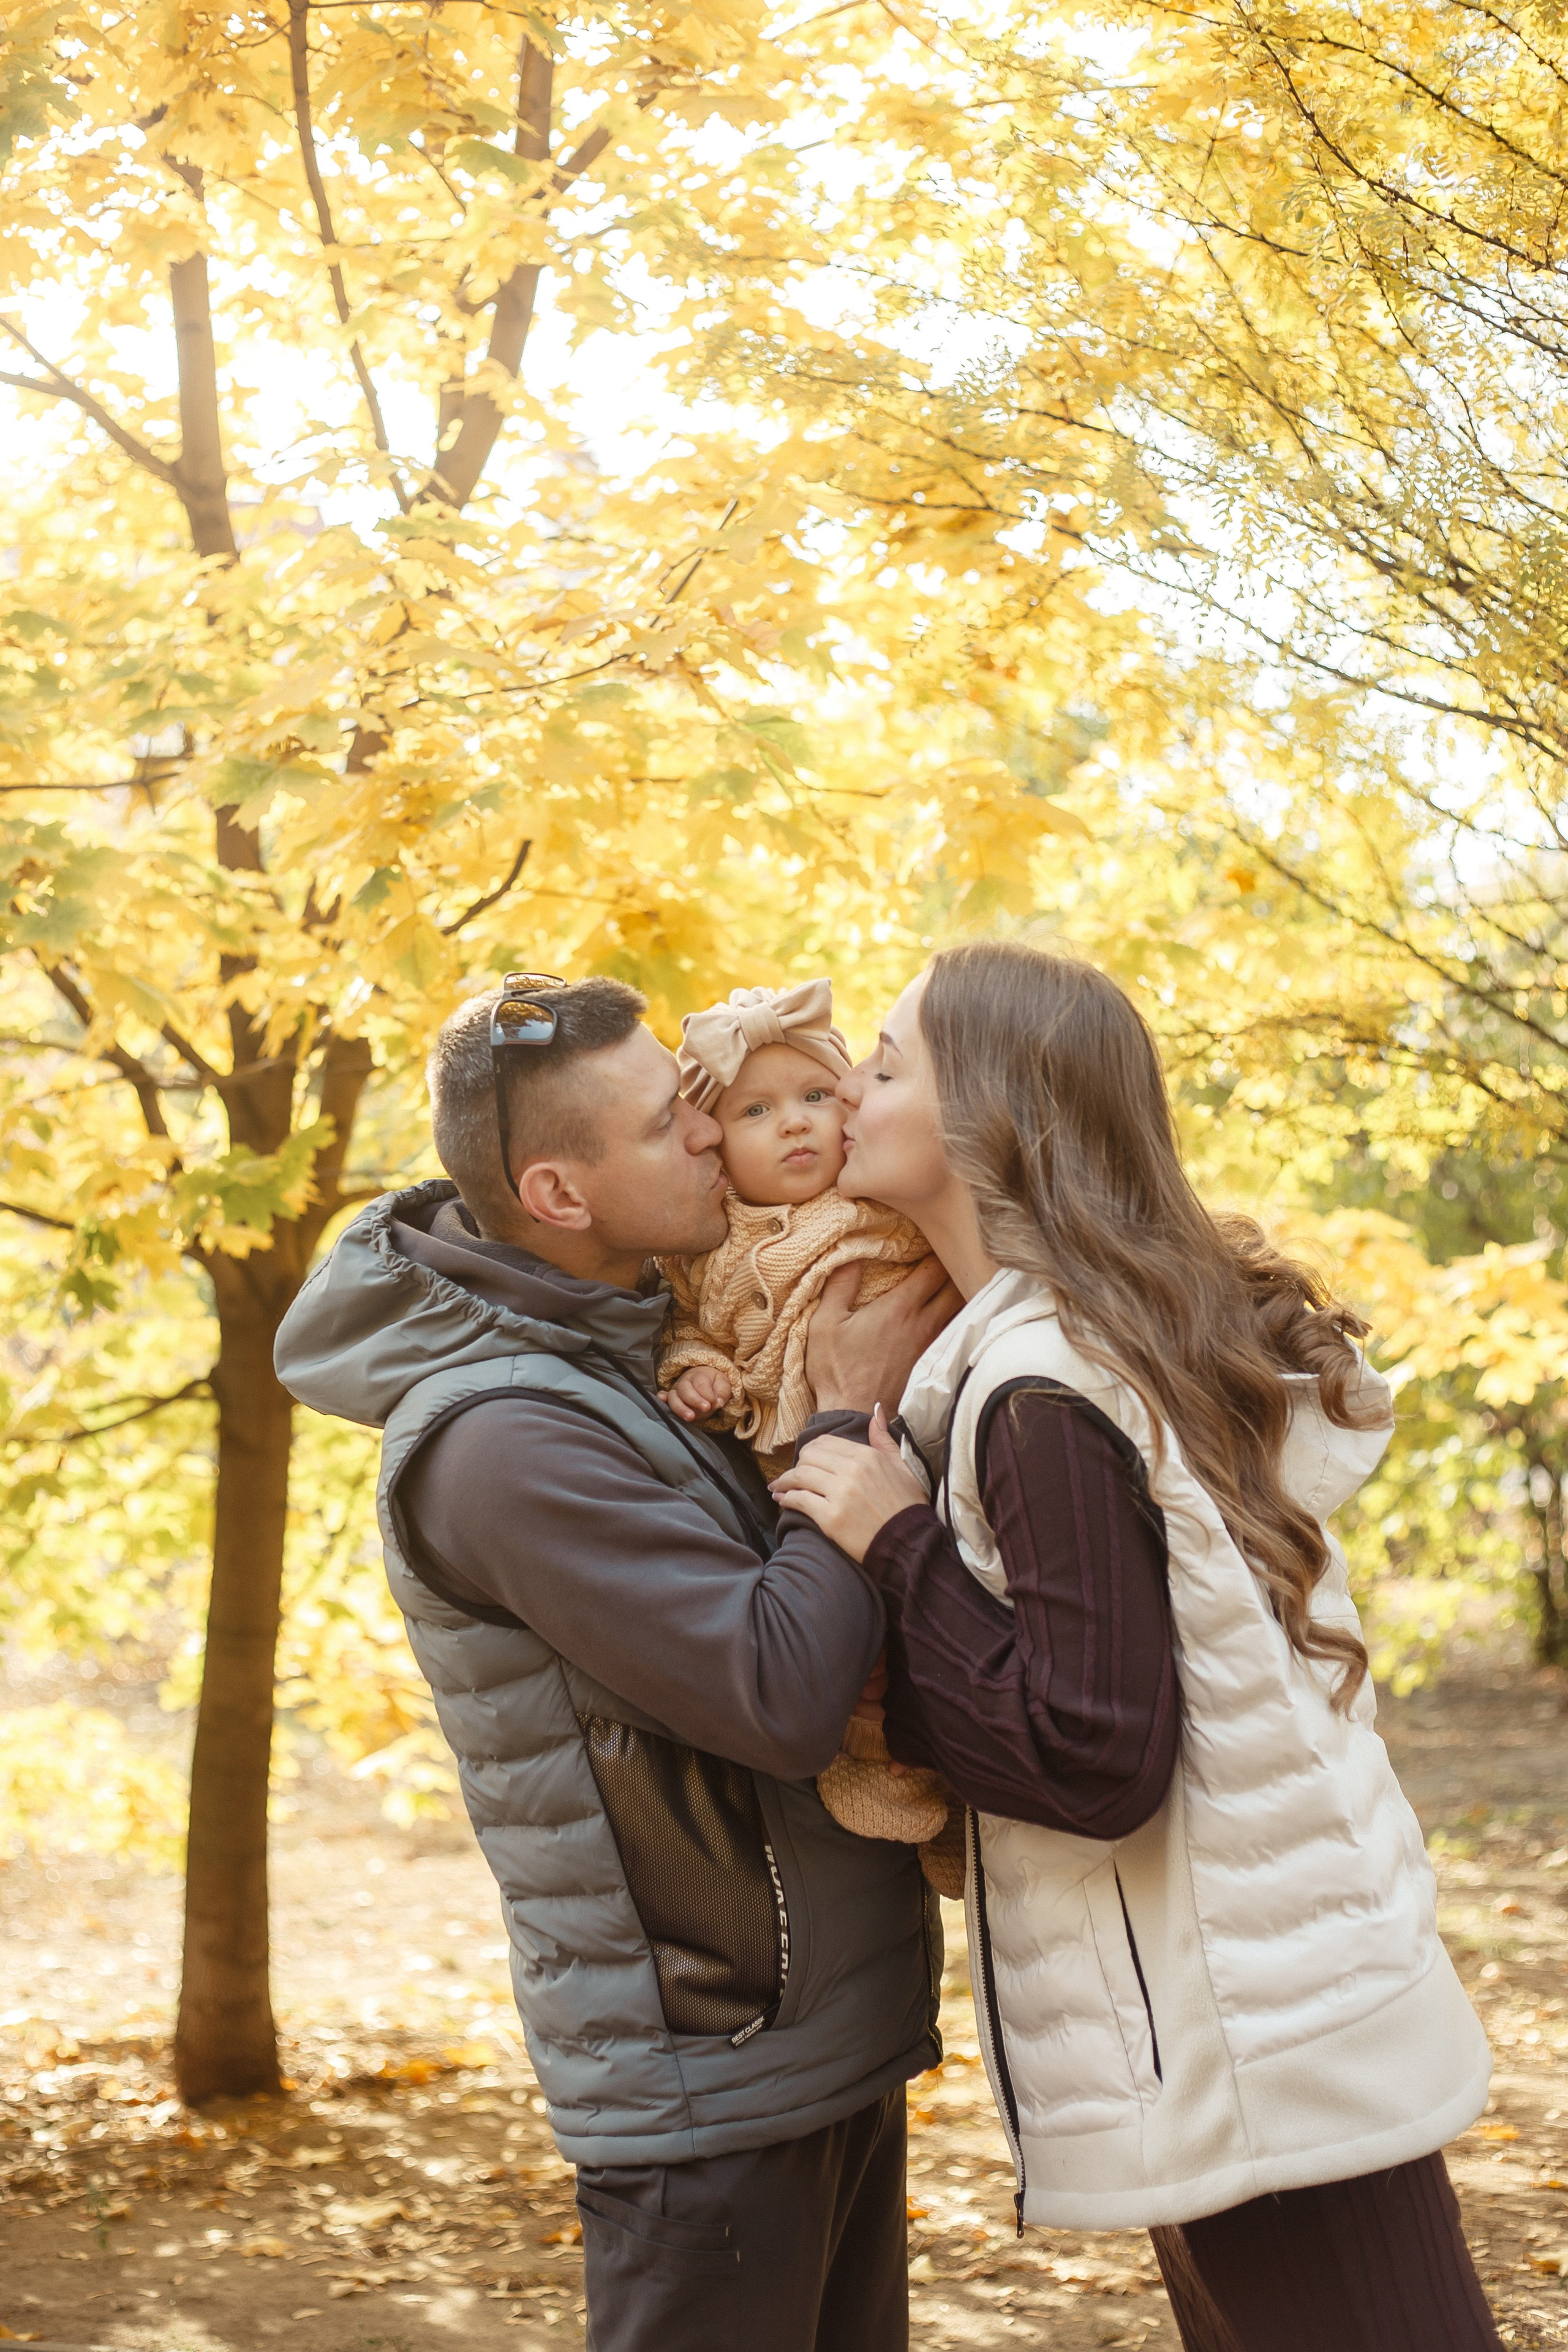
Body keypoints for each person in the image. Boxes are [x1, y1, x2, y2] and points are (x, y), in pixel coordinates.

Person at [772, 940, 1502, 2352]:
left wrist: (896, 1542)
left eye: (885, 1058)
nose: (845, 1088)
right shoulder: (1057, 1350)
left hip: (1253, 2040)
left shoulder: (1042, 1389)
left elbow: (1091, 1754)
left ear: (991, 1112)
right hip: (1249, 2012)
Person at [273, 973, 959, 2352]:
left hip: (816, 2038)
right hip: (710, 2073)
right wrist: (846, 1412)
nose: (713, 1131)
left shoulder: (643, 1350)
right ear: (561, 1194)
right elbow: (774, 1694)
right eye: (669, 1123)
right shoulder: (505, 1441)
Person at [657, 976, 949, 1863]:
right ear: (710, 1147)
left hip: (906, 1443)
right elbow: (684, 1331)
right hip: (793, 1465)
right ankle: (886, 1767)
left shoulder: (875, 1200)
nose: (795, 1123)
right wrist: (698, 1373)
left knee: (929, 1617)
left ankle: (953, 1787)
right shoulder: (703, 1246)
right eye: (757, 1112)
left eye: (816, 1097)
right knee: (857, 1652)